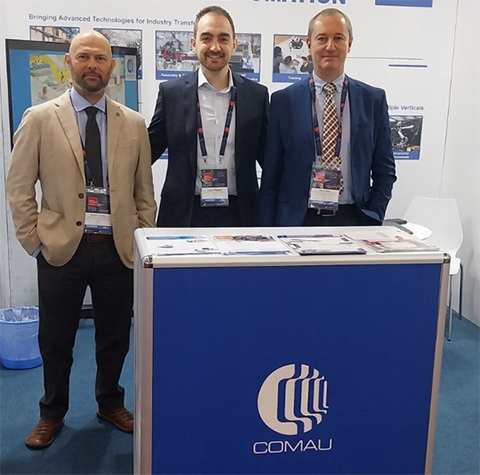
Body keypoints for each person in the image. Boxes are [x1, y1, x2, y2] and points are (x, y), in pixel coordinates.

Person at [6, 31, 156, 449]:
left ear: (112, 66)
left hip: (117, 248)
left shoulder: (134, 123)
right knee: (56, 340)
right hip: (60, 249)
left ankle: (110, 403)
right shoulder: (39, 118)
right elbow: (18, 187)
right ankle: (51, 413)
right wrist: (34, 240)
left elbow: (144, 191)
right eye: (84, 57)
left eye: (101, 58)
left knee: (115, 336)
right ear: (69, 63)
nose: (93, 65)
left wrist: (141, 238)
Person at [259, 9, 396, 226]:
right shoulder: (283, 101)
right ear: (309, 44)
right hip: (298, 220)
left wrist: (374, 215)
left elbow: (385, 170)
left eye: (338, 38)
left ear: (349, 43)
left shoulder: (373, 100)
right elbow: (271, 176)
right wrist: (267, 230)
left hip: (354, 219)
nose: (330, 46)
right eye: (322, 38)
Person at [149, 5, 269, 227]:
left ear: (234, 44)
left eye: (223, 39)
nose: (215, 47)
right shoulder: (171, 93)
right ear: (193, 43)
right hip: (184, 215)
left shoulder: (256, 95)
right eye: (206, 38)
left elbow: (269, 158)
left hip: (240, 214)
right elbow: (148, 152)